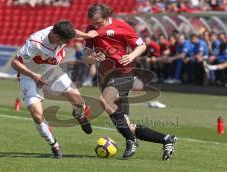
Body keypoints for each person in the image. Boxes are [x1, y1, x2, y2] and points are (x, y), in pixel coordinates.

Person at [83, 3, 177, 160]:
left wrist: (131, 56)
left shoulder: (121, 25)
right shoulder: (90, 30)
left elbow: (141, 45)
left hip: (122, 74)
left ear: (106, 17)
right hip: (104, 77)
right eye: (92, 22)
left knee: (104, 102)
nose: (95, 26)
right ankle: (166, 139)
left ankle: (131, 141)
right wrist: (92, 57)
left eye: (98, 22)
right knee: (125, 125)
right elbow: (86, 57)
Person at [11, 20, 98, 159]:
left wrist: (88, 35)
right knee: (37, 115)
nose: (66, 43)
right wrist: (33, 75)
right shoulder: (35, 42)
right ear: (56, 37)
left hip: (52, 71)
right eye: (64, 41)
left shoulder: (60, 31)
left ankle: (78, 114)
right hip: (29, 75)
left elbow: (74, 33)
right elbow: (15, 62)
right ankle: (54, 144)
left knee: (79, 102)